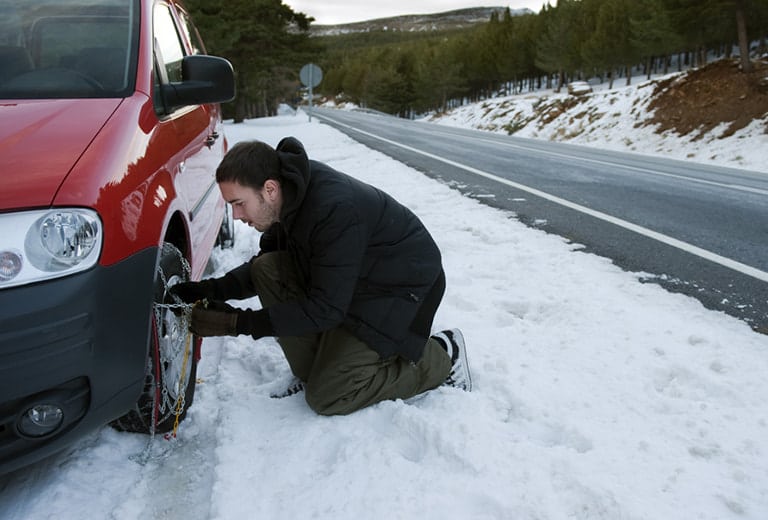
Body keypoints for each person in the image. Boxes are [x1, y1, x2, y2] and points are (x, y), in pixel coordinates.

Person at [171, 137, 471, 416]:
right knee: (268, 269)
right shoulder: (289, 197)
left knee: (329, 395)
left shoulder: (332, 211)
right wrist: (205, 291)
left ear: (270, 189)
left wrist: (236, 324)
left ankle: (442, 355)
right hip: (351, 279)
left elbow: (326, 309)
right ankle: (324, 367)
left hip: (398, 285)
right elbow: (262, 267)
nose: (236, 216)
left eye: (239, 203)